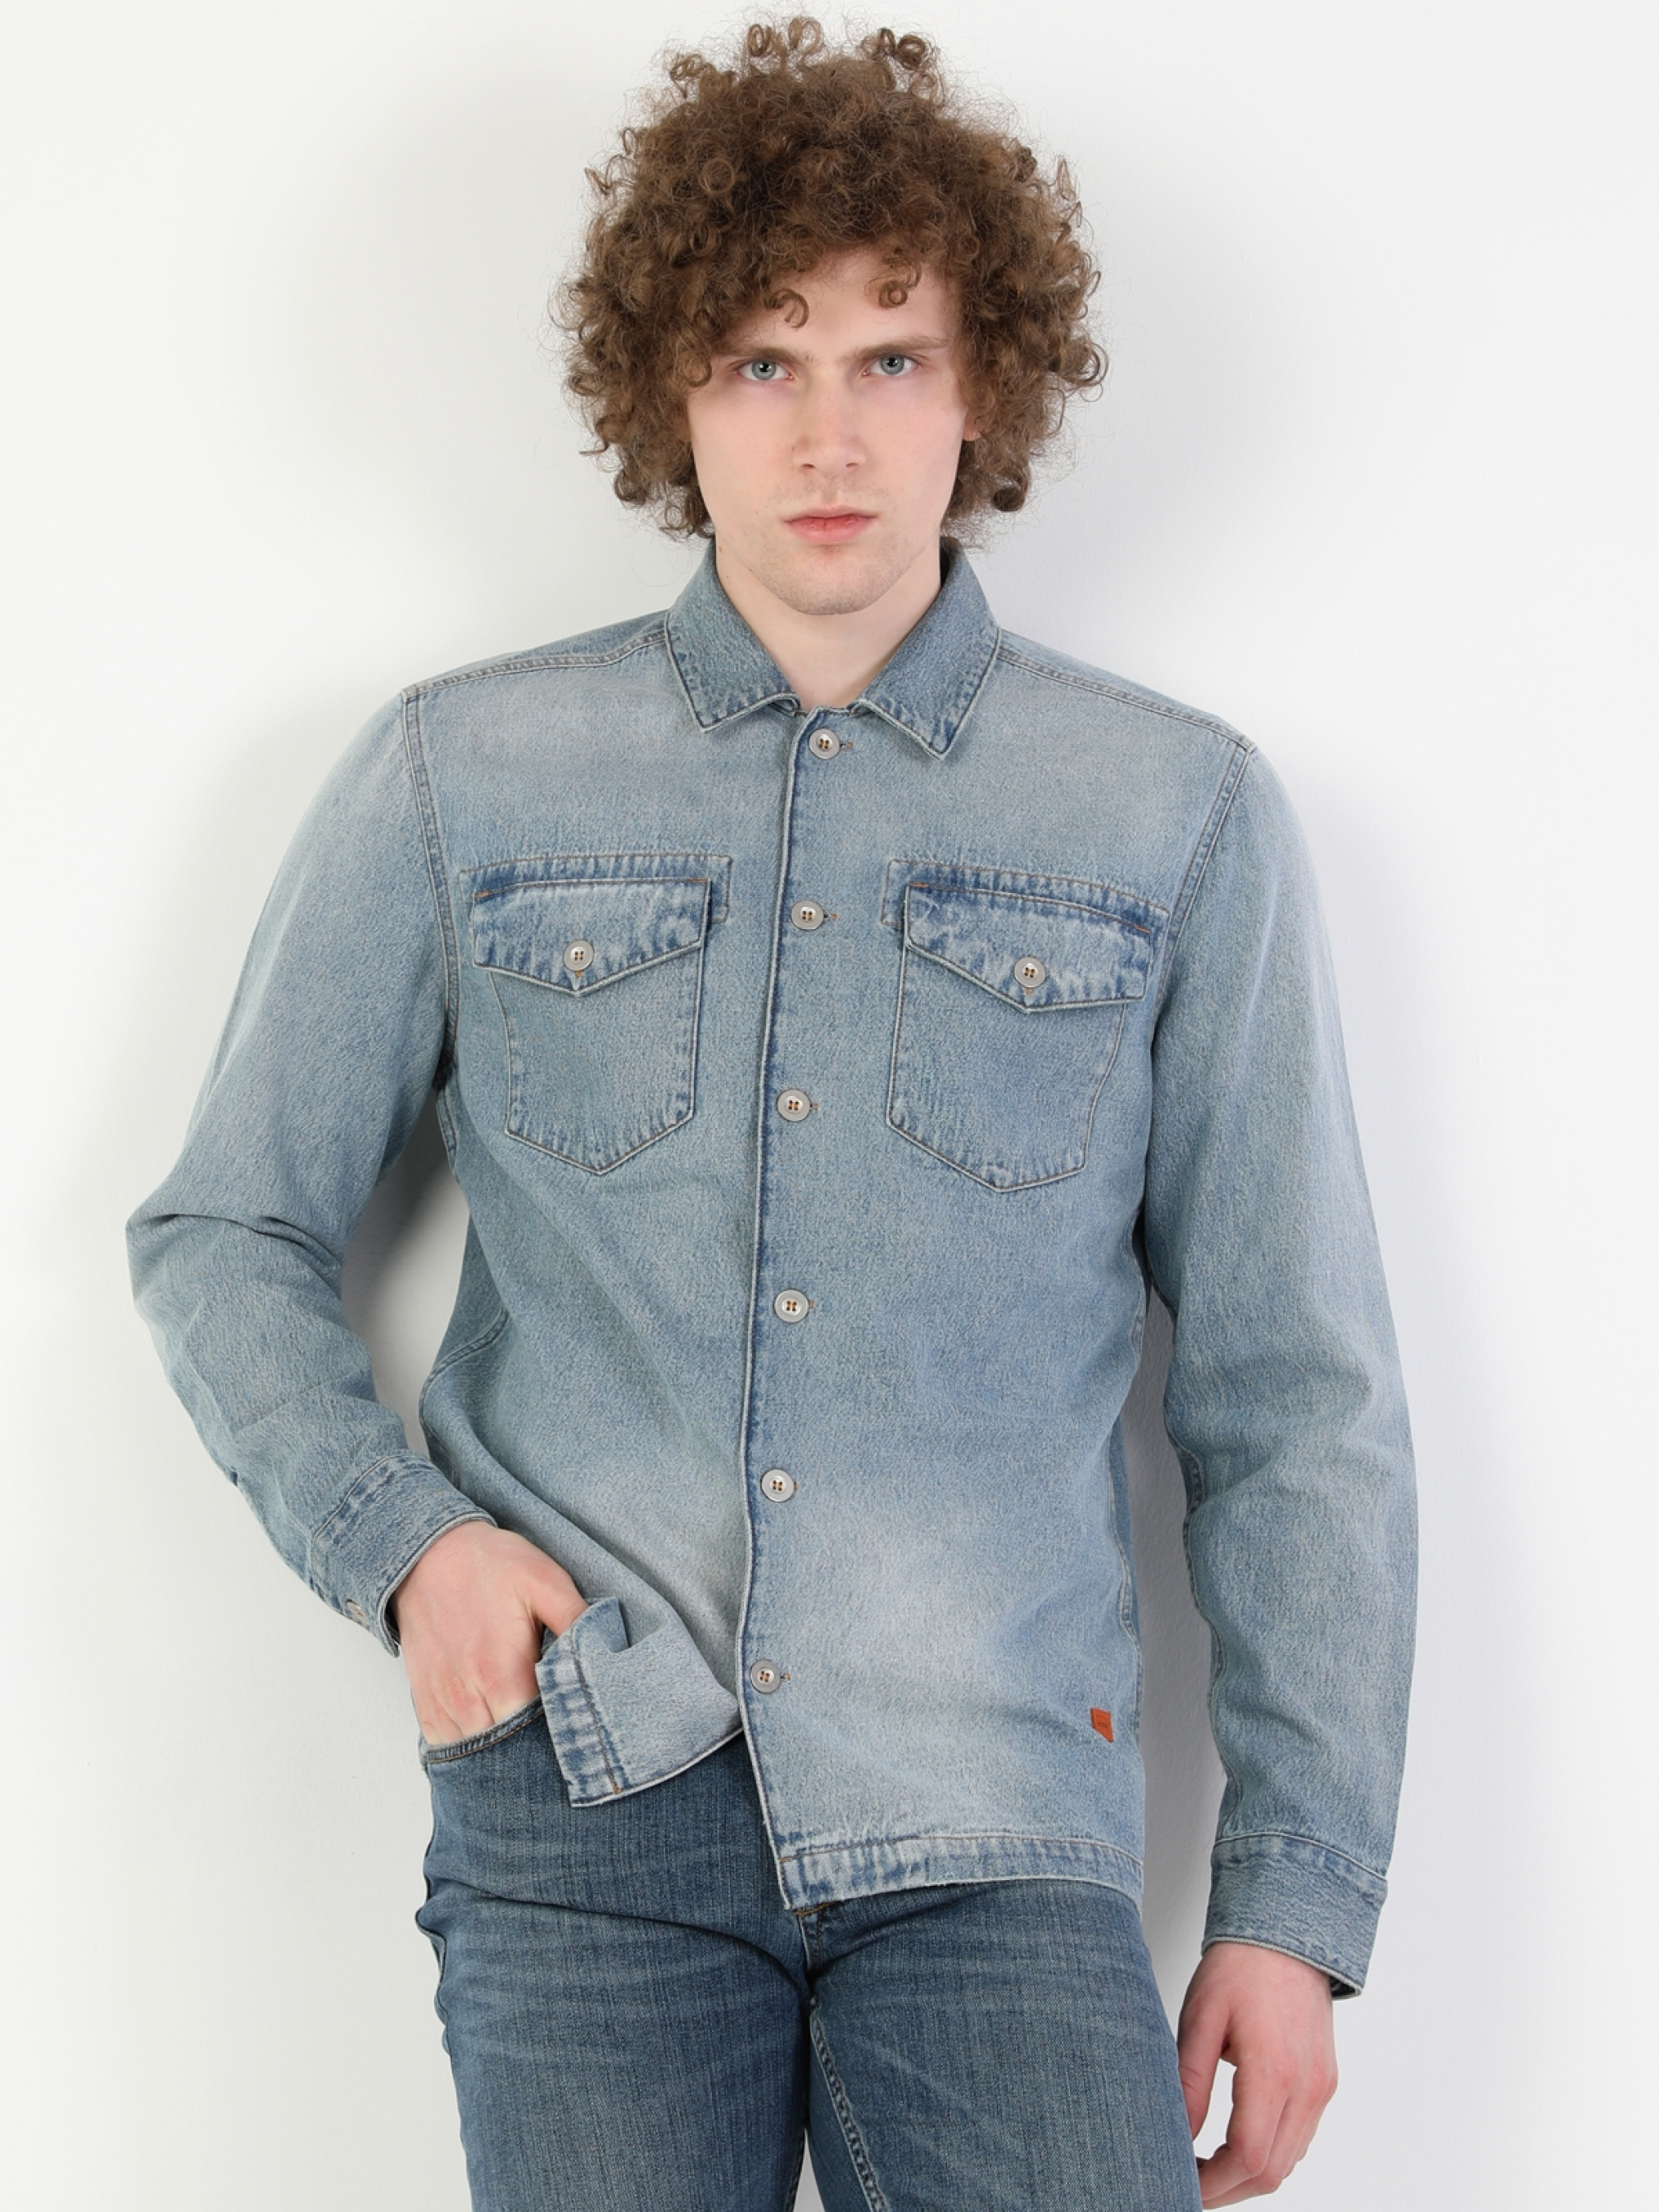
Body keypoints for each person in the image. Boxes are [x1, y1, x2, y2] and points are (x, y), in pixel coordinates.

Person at [127, 20, 1416, 2211]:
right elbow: (222, 1227)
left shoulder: (1174, 814)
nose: (830, 434)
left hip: (996, 1812)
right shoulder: (460, 774)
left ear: (983, 389)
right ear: (673, 395)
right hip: (588, 1810)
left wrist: (1290, 1906)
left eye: (892, 357)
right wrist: (405, 1544)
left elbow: (1297, 1394)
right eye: (761, 360)